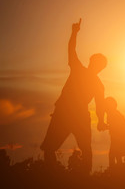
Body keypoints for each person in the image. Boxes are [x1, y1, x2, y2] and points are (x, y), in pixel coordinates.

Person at [40, 19, 107, 173]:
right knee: (79, 148)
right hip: (67, 113)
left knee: (56, 148)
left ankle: (64, 177)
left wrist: (74, 32)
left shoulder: (83, 73)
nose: (95, 65)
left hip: (69, 113)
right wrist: (74, 33)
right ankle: (62, 176)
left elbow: (100, 104)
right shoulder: (84, 74)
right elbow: (71, 49)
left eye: (98, 64)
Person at [105, 97, 125, 168]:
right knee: (116, 156)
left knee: (113, 155)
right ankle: (117, 171)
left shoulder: (115, 113)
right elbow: (114, 126)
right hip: (116, 138)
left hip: (119, 138)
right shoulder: (112, 113)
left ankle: (114, 172)